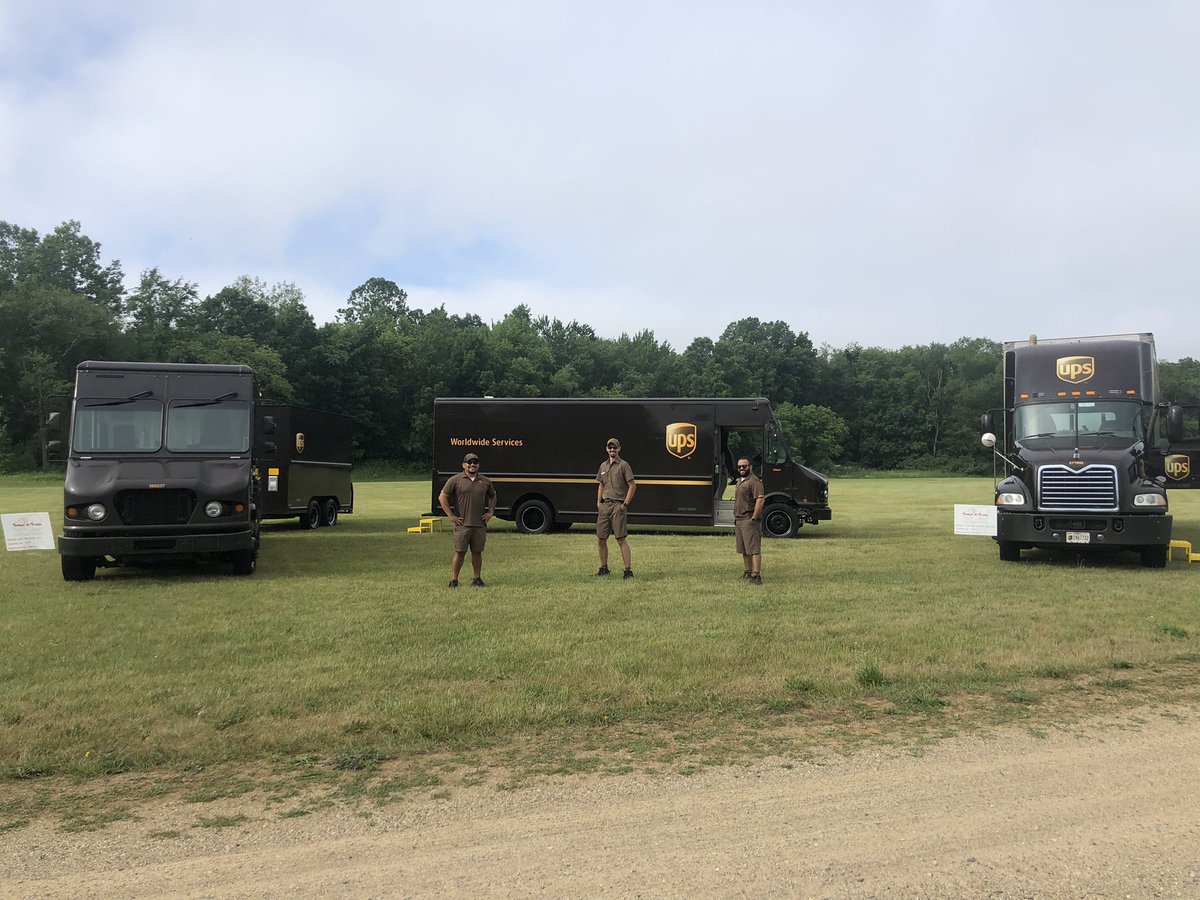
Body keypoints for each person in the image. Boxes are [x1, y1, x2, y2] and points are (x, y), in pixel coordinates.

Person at [438, 452, 496, 588]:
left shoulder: (485, 481)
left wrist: (490, 512)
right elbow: (442, 497)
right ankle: (454, 580)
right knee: (460, 552)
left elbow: (493, 496)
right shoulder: (455, 480)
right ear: (464, 465)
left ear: (478, 465)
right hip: (462, 524)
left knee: (477, 552)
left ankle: (477, 578)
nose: (472, 465)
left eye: (475, 462)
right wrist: (451, 516)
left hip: (479, 524)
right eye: (469, 462)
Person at [596, 437, 636, 578]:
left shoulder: (624, 465)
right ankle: (603, 569)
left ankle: (628, 571)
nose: (612, 450)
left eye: (615, 447)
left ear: (619, 449)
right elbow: (601, 484)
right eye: (610, 447)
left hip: (618, 506)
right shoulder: (603, 466)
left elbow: (632, 485)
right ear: (607, 449)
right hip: (605, 506)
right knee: (601, 538)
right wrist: (599, 502)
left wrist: (625, 504)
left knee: (620, 538)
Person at [733, 456, 765, 584]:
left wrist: (754, 517)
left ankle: (756, 575)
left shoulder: (754, 481)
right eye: (739, 466)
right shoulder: (740, 481)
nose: (741, 468)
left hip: (749, 519)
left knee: (753, 549)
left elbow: (760, 499)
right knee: (744, 549)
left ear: (750, 467)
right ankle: (747, 571)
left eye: (744, 466)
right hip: (739, 519)